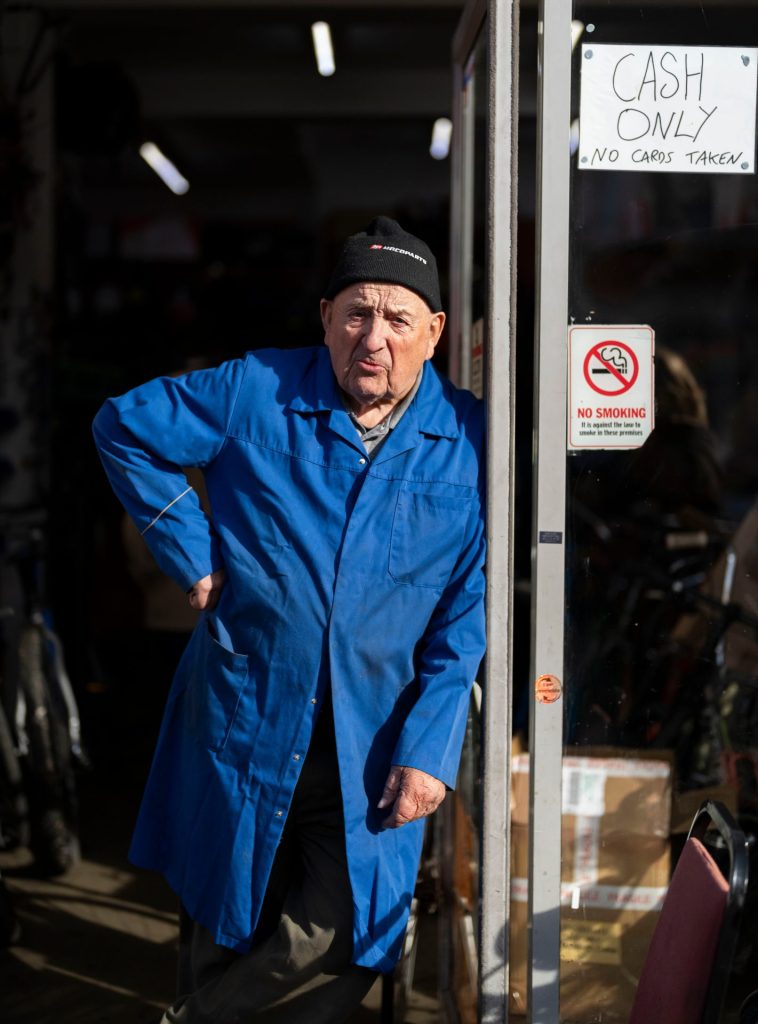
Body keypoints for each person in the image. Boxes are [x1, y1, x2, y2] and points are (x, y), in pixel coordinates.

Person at [92, 216, 486, 1023]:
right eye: (355, 313)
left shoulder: (470, 440)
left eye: (398, 318)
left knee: (349, 933)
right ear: (325, 319)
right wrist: (189, 548)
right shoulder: (256, 391)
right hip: (244, 720)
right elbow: (123, 425)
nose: (372, 337)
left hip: (373, 743)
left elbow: (464, 613)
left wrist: (432, 750)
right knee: (227, 923)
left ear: (435, 333)